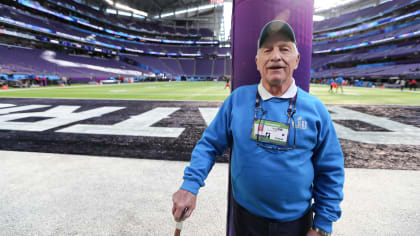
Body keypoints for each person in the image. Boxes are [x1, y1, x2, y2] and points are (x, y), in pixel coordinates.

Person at [172, 20, 344, 236]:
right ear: (257, 60)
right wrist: (190, 185)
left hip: (296, 226)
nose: (275, 56)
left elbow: (331, 170)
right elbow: (209, 145)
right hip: (245, 220)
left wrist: (322, 226)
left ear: (297, 59)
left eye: (284, 49)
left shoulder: (316, 110)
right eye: (267, 50)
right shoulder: (237, 100)